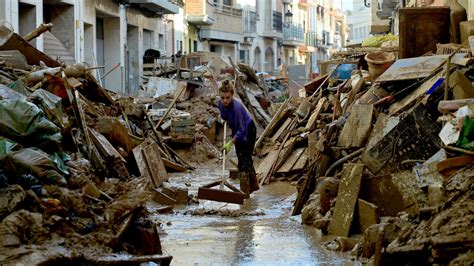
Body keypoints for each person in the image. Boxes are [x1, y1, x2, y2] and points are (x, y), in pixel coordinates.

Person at [218, 80, 259, 197]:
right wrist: (223, 118)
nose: (225, 100)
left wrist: (231, 142)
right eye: (223, 98)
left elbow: (242, 131)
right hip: (237, 129)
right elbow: (223, 114)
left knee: (244, 160)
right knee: (243, 159)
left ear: (232, 96)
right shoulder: (220, 103)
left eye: (227, 98)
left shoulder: (237, 108)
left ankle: (245, 193)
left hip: (248, 130)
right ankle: (253, 187)